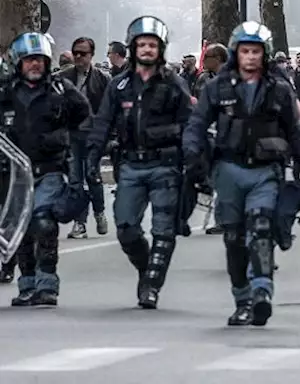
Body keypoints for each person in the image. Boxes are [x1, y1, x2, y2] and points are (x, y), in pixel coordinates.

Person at [182, 22, 300, 326]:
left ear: (265, 54)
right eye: (245, 51)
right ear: (236, 54)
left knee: (261, 227)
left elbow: (296, 132)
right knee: (234, 237)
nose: (250, 57)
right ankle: (242, 299)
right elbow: (196, 125)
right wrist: (194, 156)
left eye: (256, 51)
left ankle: (262, 291)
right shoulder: (216, 88)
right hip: (228, 170)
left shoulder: (280, 90)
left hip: (266, 171)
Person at [82, 16, 193, 309]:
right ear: (133, 48)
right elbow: (102, 123)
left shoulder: (174, 85)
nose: (146, 49)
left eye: (152, 44)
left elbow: (190, 126)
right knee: (126, 226)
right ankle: (146, 269)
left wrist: (195, 163)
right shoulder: (118, 86)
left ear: (161, 48)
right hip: (130, 165)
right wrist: (92, 158)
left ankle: (152, 285)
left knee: (163, 229)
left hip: (166, 166)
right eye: (141, 44)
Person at [1, 33, 92, 306]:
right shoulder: (4, 93)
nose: (35, 65)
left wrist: (75, 147)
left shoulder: (62, 91)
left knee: (43, 221)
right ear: (19, 62)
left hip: (50, 169)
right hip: (14, 176)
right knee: (22, 229)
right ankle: (27, 284)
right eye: (29, 60)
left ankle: (47, 284)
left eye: (39, 59)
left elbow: (84, 119)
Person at [60, 37, 110, 239]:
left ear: (91, 55)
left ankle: (99, 212)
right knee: (75, 180)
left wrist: (110, 137)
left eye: (83, 53)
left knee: (93, 176)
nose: (79, 57)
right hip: (71, 136)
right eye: (76, 52)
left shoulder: (103, 79)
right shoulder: (63, 78)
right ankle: (79, 223)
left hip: (93, 136)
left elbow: (110, 110)